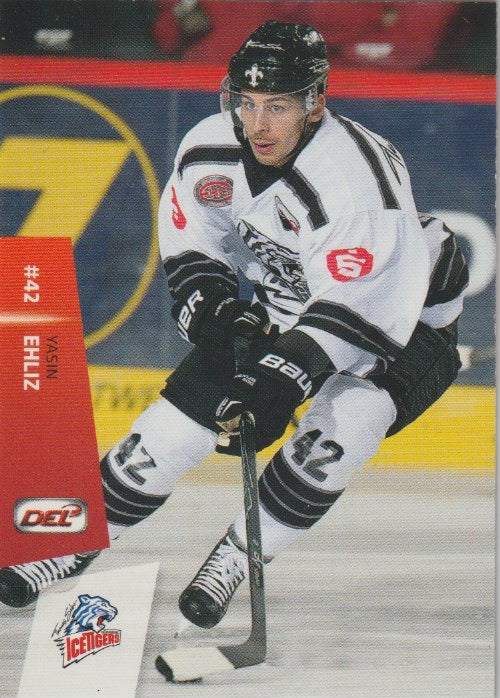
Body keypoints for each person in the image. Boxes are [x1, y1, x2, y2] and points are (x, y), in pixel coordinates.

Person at [0, 21, 467, 630]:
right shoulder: (210, 147)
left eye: (278, 106)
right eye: (247, 103)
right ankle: (72, 542)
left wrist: (280, 379)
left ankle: (238, 555)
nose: (258, 124)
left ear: (315, 103)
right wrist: (214, 306)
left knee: (344, 428)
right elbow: (193, 240)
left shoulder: (357, 179)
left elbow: (360, 308)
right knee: (172, 430)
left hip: (405, 321)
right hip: (288, 301)